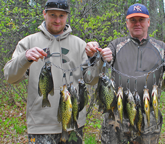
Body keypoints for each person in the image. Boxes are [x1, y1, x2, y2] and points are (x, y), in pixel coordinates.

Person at [86, 3, 165, 144]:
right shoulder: (116, 45)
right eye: (133, 20)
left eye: (141, 19)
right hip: (117, 114)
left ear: (149, 22)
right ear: (127, 23)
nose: (137, 23)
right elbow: (94, 75)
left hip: (148, 114)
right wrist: (97, 56)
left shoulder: (162, 48)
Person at [3, 0, 102, 143]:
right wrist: (24, 58)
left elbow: (91, 80)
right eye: (52, 15)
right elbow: (10, 77)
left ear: (67, 16)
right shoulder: (28, 42)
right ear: (44, 14)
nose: (57, 20)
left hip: (73, 123)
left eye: (61, 16)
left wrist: (94, 59)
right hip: (41, 125)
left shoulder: (80, 44)